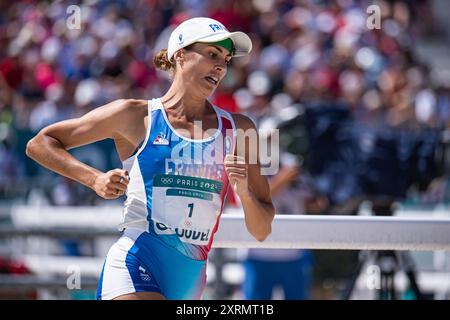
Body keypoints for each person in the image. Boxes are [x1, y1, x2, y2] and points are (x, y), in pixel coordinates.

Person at [25, 17, 275, 300]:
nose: (220, 66)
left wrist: (243, 192)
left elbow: (262, 229)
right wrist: (94, 179)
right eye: (212, 54)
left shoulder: (240, 129)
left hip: (190, 280)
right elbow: (40, 143)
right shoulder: (135, 115)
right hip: (135, 263)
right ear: (180, 55)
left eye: (226, 59)